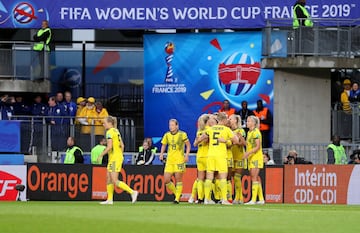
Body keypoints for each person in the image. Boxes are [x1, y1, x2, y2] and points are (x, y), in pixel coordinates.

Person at [97, 116, 138, 205]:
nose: (103, 124)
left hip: (114, 158)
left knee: (114, 180)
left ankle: (132, 192)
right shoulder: (116, 131)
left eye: (104, 123)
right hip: (116, 157)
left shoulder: (109, 132)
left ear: (110, 123)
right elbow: (122, 145)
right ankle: (110, 199)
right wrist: (120, 155)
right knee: (108, 178)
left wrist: (101, 155)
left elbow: (109, 146)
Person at [203, 112, 238, 205]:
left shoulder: (211, 129)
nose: (228, 120)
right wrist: (226, 141)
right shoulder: (226, 130)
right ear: (223, 120)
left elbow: (202, 137)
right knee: (223, 177)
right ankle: (224, 199)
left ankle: (206, 199)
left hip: (210, 155)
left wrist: (196, 141)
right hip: (221, 155)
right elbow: (236, 140)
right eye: (226, 119)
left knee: (209, 177)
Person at [159, 119, 191, 204]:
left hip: (179, 160)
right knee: (166, 180)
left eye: (173, 125)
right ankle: (177, 193)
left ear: (177, 126)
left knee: (178, 179)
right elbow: (164, 145)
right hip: (169, 160)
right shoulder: (167, 135)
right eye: (170, 125)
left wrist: (186, 155)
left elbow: (188, 145)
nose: (171, 127)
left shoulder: (182, 134)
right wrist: (161, 154)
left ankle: (176, 199)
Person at [188, 114, 210, 204]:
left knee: (200, 178)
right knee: (210, 178)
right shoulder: (209, 130)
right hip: (207, 156)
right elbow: (206, 141)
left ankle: (200, 199)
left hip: (199, 156)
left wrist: (198, 140)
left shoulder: (199, 132)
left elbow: (194, 144)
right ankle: (208, 198)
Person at [243, 115, 265, 205]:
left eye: (248, 121)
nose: (247, 123)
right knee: (254, 177)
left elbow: (257, 146)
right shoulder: (249, 132)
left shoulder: (256, 133)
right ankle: (261, 199)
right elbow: (248, 144)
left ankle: (253, 199)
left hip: (256, 157)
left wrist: (248, 153)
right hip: (251, 157)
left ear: (254, 123)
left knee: (254, 177)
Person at [229, 114, 246, 204]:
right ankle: (237, 197)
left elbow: (243, 143)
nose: (229, 120)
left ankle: (239, 198)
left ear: (235, 120)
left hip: (239, 156)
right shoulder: (228, 131)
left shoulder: (241, 130)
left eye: (231, 119)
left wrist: (236, 142)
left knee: (237, 178)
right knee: (232, 178)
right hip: (231, 156)